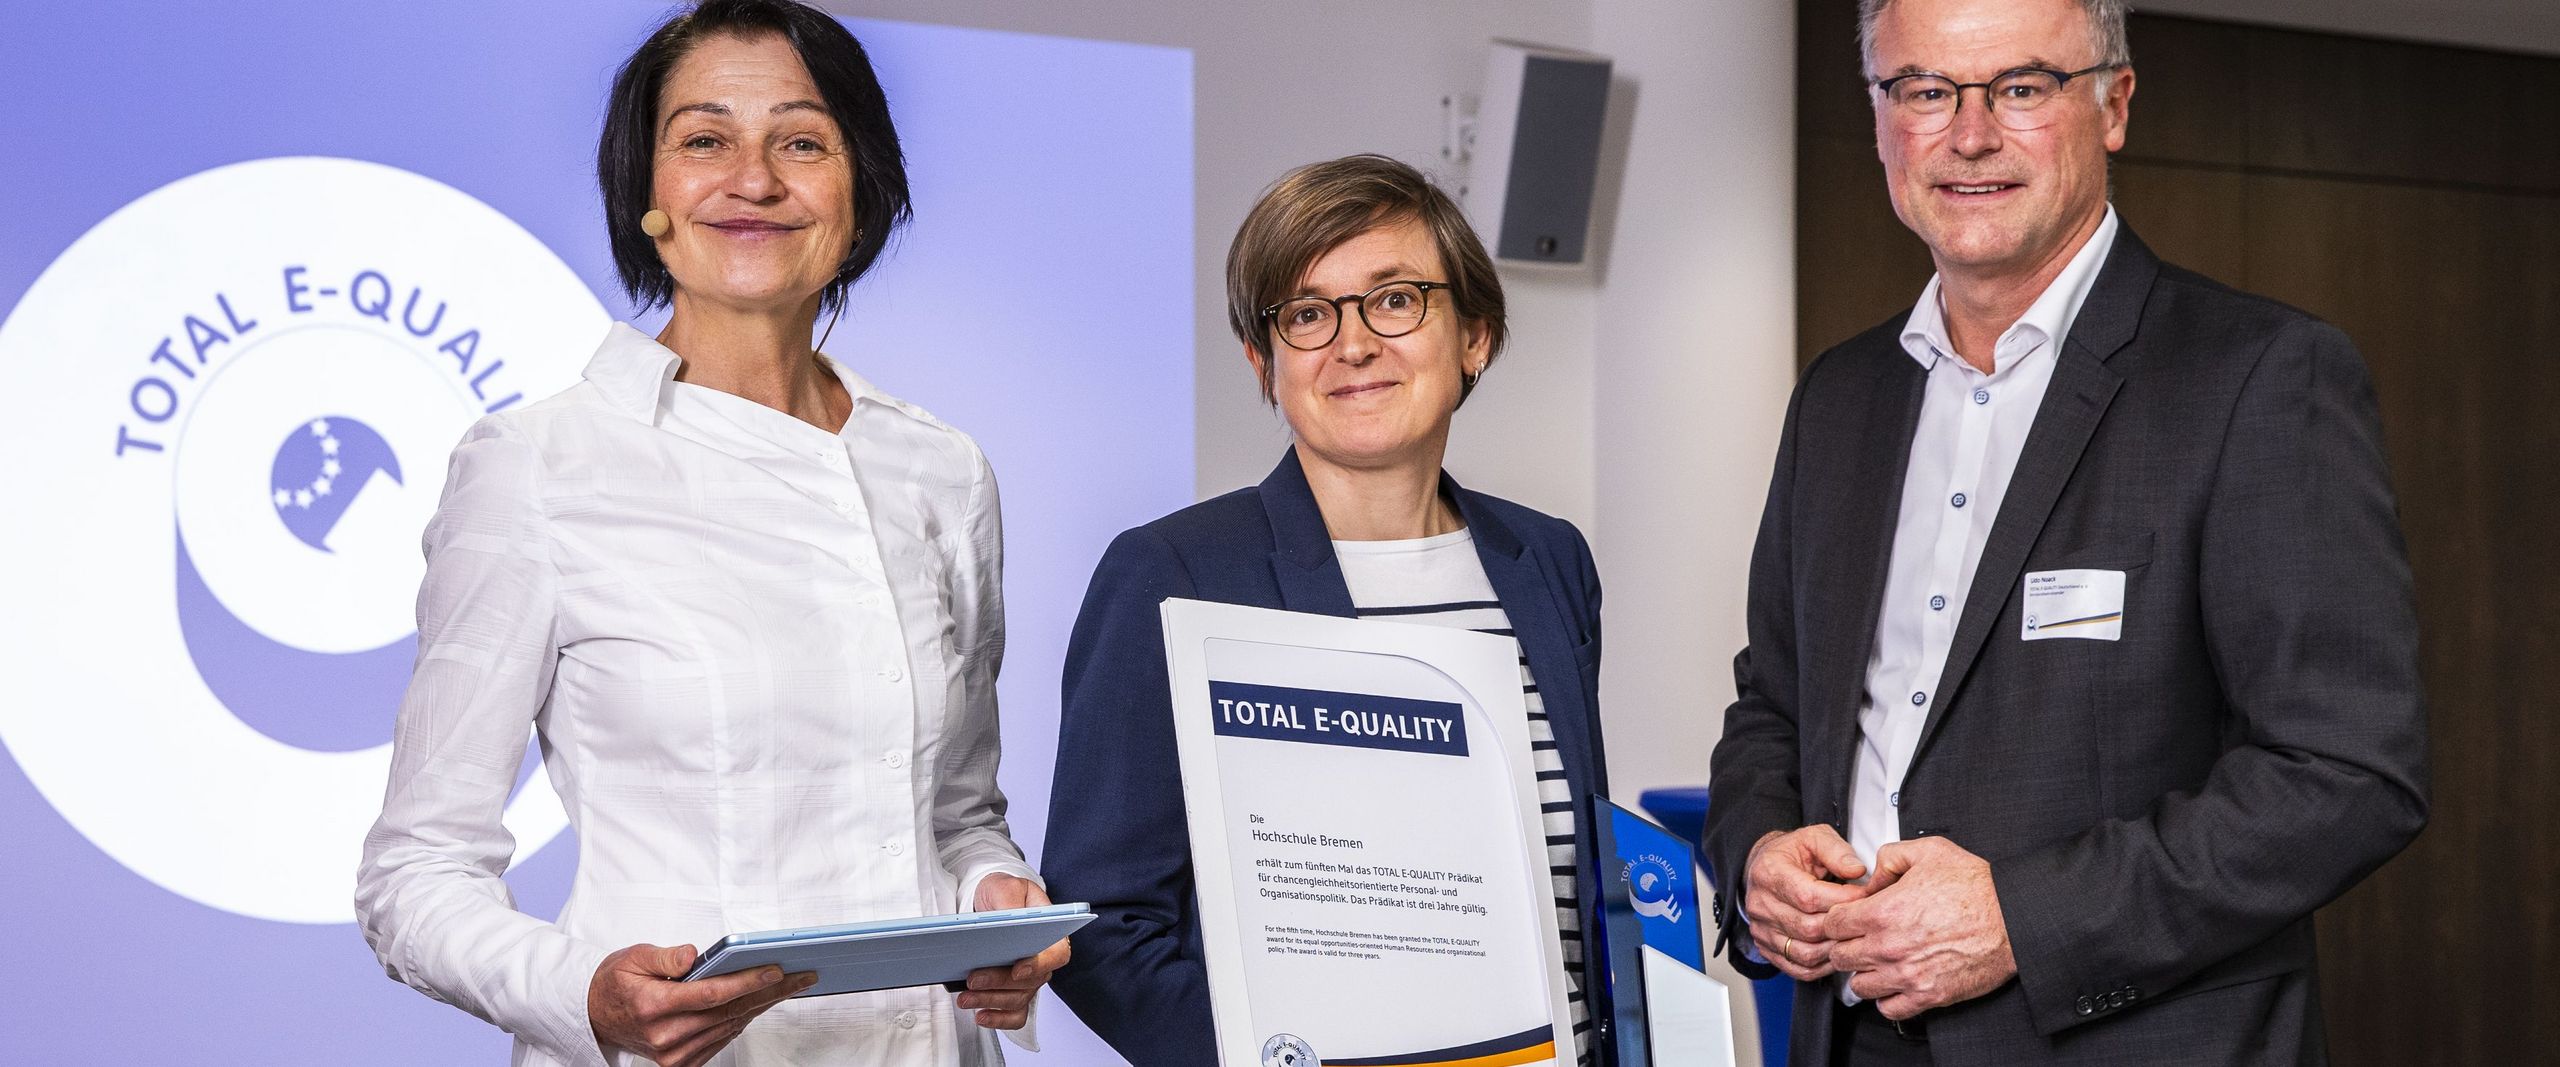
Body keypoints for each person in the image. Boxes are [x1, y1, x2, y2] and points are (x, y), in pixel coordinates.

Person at [1701, 0, 2429, 1062]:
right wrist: (1756, 847)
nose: (1969, 134)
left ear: (2113, 103)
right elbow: (1773, 702)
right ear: (1878, 116)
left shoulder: (2257, 376)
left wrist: (2021, 918)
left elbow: (2347, 773)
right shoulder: (1840, 398)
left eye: (2021, 87)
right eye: (1923, 90)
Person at [352, 3, 1066, 1064]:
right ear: (645, 195)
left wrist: (994, 895)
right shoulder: (539, 463)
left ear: (858, 190)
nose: (755, 179)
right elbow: (414, 873)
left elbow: (956, 812)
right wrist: (581, 993)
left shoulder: (941, 470)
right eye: (703, 140)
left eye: (801, 141)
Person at [1041, 155, 1607, 1064]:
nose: (1353, 344)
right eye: (1308, 314)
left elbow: (1573, 889)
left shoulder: (1547, 559)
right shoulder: (1172, 571)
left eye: (1395, 300)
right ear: (1265, 362)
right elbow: (1105, 928)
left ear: (1475, 336)